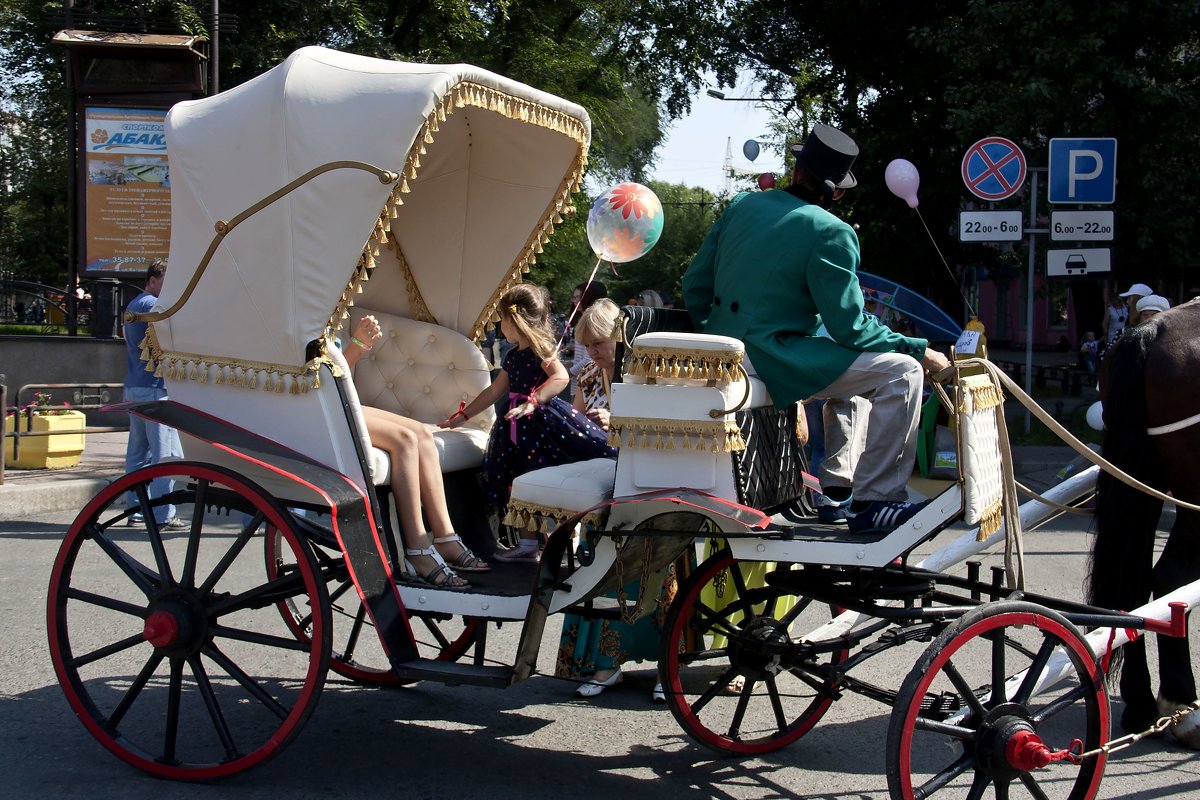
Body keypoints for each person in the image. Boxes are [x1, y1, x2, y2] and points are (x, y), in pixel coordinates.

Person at [682, 123, 951, 535]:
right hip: (772, 358)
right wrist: (921, 349)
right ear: (838, 192)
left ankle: (837, 489)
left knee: (856, 372)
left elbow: (694, 286)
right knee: (901, 372)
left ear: (795, 171)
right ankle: (874, 501)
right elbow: (853, 329)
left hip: (724, 354)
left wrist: (716, 342)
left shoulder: (741, 206)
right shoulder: (832, 232)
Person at [439, 283, 617, 562]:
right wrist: (463, 415)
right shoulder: (512, 357)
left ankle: (544, 539)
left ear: (514, 320)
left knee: (538, 474)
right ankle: (528, 543)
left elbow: (560, 377)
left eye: (502, 320)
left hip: (540, 424)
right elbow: (494, 391)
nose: (500, 326)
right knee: (516, 478)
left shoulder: (539, 350)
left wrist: (534, 400)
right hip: (515, 428)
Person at [554, 299, 670, 701]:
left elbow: (664, 434)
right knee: (601, 576)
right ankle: (605, 666)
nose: (593, 352)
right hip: (604, 490)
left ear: (622, 339)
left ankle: (666, 668)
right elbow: (575, 426)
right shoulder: (586, 376)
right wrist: (588, 426)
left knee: (657, 574)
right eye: (588, 344)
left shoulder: (647, 377)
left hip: (649, 486)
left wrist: (618, 426)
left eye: (599, 343)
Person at [344, 315, 488, 590]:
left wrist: (357, 346)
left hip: (341, 398)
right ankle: (418, 547)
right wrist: (356, 345)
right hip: (320, 405)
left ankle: (445, 536)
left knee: (422, 434)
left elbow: (340, 373)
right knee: (405, 440)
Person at [123, 259, 185, 528]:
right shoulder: (151, 305)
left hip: (135, 385)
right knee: (164, 454)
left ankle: (136, 509)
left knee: (137, 454)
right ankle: (164, 513)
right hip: (154, 388)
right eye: (166, 281)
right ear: (152, 280)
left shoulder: (134, 304)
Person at [566, 280, 608, 399]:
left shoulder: (593, 323)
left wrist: (568, 372)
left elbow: (589, 359)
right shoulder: (583, 321)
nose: (574, 301)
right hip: (580, 385)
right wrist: (569, 364)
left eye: (577, 297)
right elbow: (582, 357)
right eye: (573, 298)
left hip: (589, 386)